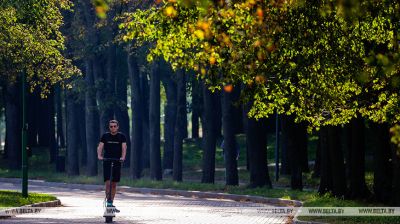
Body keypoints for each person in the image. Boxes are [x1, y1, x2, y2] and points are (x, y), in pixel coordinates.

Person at [97, 120, 127, 209]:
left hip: (117, 161)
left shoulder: (122, 136)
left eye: (114, 126)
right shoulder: (105, 136)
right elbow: (100, 147)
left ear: (117, 127)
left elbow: (124, 148)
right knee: (108, 183)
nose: (113, 128)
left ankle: (111, 202)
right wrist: (99, 155)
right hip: (107, 160)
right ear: (109, 127)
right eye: (111, 126)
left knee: (114, 184)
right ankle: (108, 201)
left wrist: (123, 157)